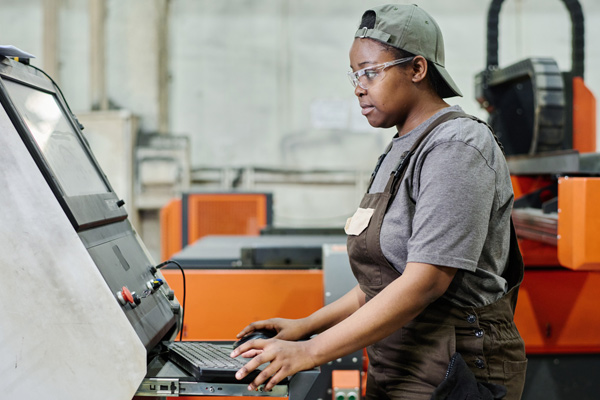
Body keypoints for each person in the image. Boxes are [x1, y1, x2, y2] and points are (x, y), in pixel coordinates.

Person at [230, 4, 527, 399]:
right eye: (354, 74)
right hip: (402, 361)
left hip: (456, 368)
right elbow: (382, 282)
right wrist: (306, 325)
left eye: (370, 71)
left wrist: (309, 351)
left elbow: (425, 282)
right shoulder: (400, 149)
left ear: (417, 69)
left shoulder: (456, 146)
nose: (358, 86)